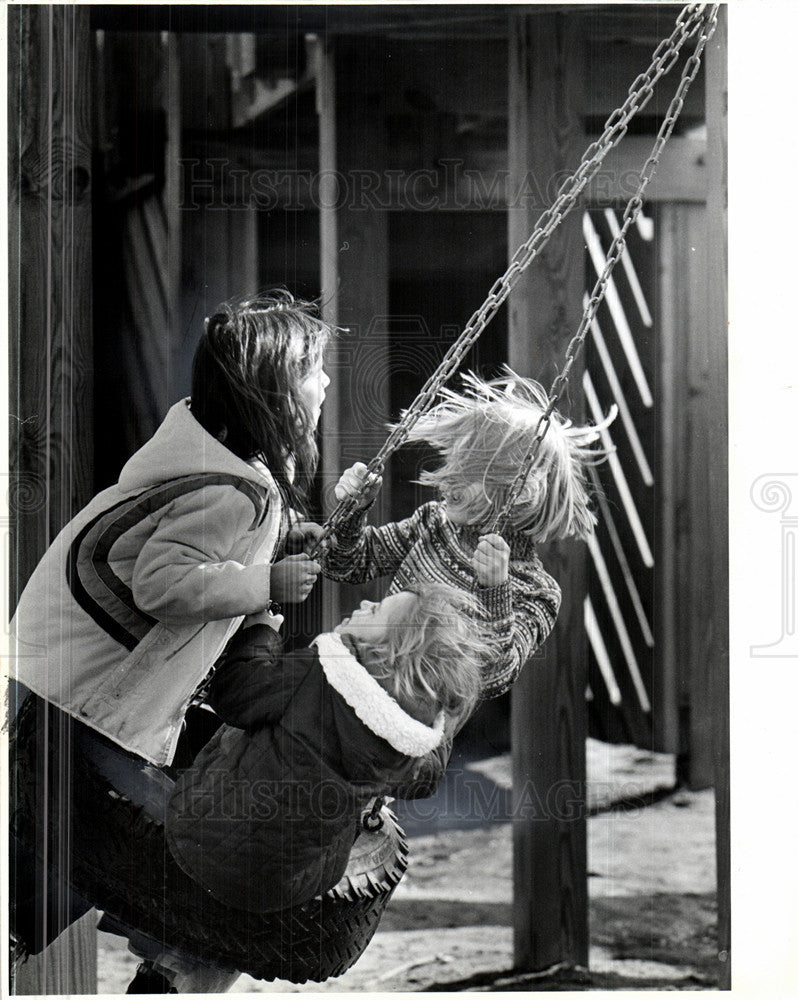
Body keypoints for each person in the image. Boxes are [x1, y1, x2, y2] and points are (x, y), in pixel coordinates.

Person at [9, 291, 331, 965]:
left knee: (74, 863)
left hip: (73, 692)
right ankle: (153, 968)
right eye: (313, 369)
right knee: (179, 868)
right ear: (272, 391)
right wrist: (263, 584)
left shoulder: (215, 472)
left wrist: (268, 561)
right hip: (96, 707)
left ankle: (27, 935)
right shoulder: (230, 490)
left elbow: (189, 559)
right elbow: (163, 582)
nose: (326, 381)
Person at [164, 582, 491, 915]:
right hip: (282, 888)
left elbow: (235, 693)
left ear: (387, 649)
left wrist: (261, 632)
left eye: (376, 609)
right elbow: (426, 779)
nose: (364, 602)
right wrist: (441, 725)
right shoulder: (408, 744)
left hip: (195, 834)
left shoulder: (320, 671)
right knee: (352, 800)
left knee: (246, 720)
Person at [322, 369, 614, 702]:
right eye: (452, 464)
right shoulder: (434, 525)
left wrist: (494, 592)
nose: (446, 480)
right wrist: (353, 512)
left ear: (517, 492)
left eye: (465, 472)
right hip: (357, 686)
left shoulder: (537, 592)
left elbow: (493, 676)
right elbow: (345, 563)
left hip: (420, 723)